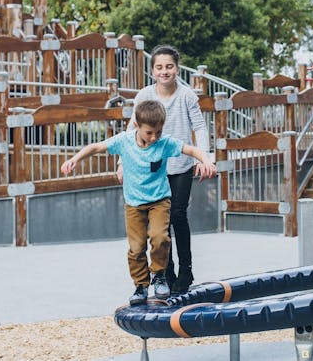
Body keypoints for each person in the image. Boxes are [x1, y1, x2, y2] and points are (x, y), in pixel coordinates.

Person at [61, 100, 216, 305]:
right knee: (136, 247)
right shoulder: (124, 141)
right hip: (134, 204)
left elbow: (192, 150)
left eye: (158, 132)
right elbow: (96, 146)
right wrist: (75, 159)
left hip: (159, 201)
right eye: (149, 133)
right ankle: (141, 285)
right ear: (137, 126)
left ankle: (159, 275)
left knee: (160, 237)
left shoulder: (164, 143)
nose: (154, 138)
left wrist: (205, 160)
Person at [118, 44, 212, 294]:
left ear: (177, 69)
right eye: (159, 67)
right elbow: (131, 129)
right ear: (152, 71)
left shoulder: (187, 95)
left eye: (169, 66)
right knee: (160, 224)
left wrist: (204, 158)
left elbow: (200, 127)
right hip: (153, 168)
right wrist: (121, 163)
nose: (164, 71)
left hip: (180, 165)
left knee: (178, 216)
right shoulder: (144, 95)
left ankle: (186, 269)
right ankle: (165, 273)